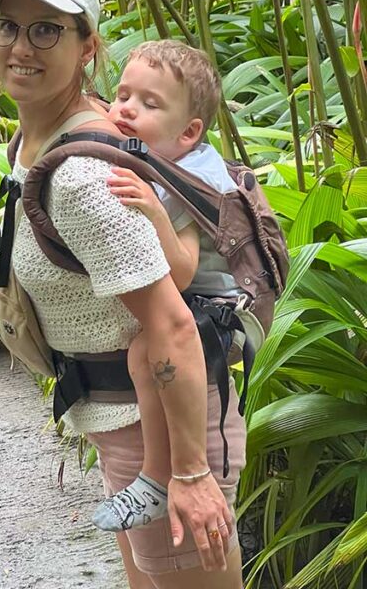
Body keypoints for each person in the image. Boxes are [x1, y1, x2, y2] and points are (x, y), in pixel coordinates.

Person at [0, 0, 245, 588]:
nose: (21, 46)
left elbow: (171, 326)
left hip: (168, 432)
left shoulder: (83, 179)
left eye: (47, 29)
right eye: (8, 26)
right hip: (123, 425)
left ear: (87, 46)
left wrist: (188, 475)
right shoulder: (33, 146)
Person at [92, 41, 241, 534]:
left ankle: (157, 478)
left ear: (190, 132)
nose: (127, 109)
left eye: (149, 104)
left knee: (144, 352)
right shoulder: (156, 152)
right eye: (123, 95)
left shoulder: (191, 180)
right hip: (183, 298)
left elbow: (180, 272)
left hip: (211, 306)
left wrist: (155, 212)